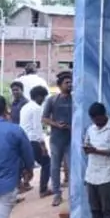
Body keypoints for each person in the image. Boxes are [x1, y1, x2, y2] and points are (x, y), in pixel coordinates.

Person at [42, 73, 73, 206]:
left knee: (73, 167)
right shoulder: (52, 100)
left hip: (71, 139)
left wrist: (72, 127)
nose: (70, 85)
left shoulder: (76, 100)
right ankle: (57, 194)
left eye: (71, 82)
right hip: (56, 139)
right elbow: (44, 118)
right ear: (59, 86)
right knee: (55, 167)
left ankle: (73, 194)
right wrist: (56, 125)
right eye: (67, 83)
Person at [20, 85, 51, 195]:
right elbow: (37, 128)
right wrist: (43, 146)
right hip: (33, 140)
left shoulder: (25, 107)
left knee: (24, 165)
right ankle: (43, 189)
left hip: (23, 140)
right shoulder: (37, 108)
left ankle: (20, 186)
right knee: (47, 163)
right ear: (38, 97)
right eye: (43, 98)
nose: (43, 100)